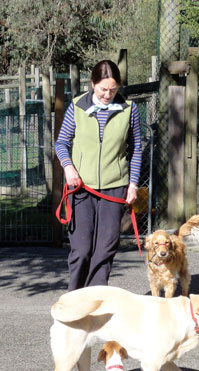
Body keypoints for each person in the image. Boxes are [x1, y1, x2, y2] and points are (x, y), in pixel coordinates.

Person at [55, 59, 142, 290]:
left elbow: (135, 150)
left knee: (105, 250)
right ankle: (74, 301)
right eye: (103, 89)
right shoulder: (77, 107)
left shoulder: (129, 109)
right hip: (81, 188)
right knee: (82, 250)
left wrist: (133, 184)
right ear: (93, 84)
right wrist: (68, 167)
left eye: (113, 90)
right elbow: (62, 143)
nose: (107, 94)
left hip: (115, 189)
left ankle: (96, 303)